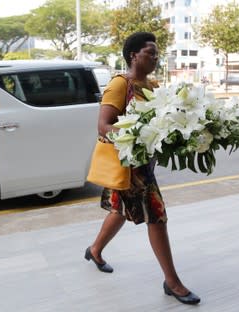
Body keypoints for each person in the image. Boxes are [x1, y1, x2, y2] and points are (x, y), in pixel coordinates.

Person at [85, 32, 200, 305]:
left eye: (157, 54)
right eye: (151, 53)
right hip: (130, 167)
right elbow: (103, 126)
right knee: (157, 218)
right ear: (133, 55)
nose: (156, 58)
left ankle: (95, 250)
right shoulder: (119, 84)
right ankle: (172, 282)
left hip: (143, 166)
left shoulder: (153, 85)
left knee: (120, 211)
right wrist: (137, 136)